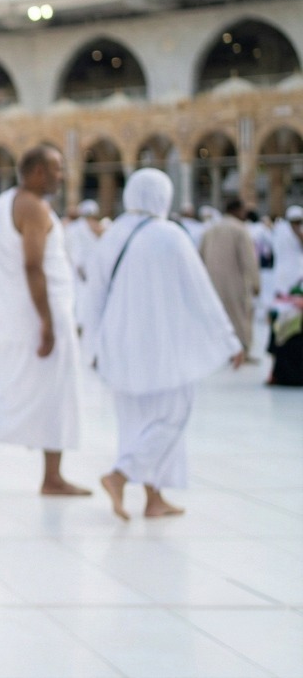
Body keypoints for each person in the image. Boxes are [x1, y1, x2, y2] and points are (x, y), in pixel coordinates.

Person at [80, 169, 243, 520]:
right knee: (173, 414)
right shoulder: (170, 235)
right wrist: (229, 339)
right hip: (162, 343)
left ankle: (154, 498)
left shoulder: (112, 234)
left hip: (118, 343)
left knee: (135, 420)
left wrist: (92, 346)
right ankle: (120, 475)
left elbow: (92, 295)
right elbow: (200, 292)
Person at [0, 146, 89, 496]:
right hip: (39, 313)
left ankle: (52, 476)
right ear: (37, 172)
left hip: (25, 312)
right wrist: (46, 321)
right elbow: (33, 265)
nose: (61, 176)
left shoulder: (7, 202)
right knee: (21, 392)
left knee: (54, 393)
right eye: (56, 169)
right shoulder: (32, 207)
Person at [200, 199, 263, 358]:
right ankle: (242, 352)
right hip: (236, 285)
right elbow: (249, 260)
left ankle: (221, 352)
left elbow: (200, 257)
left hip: (211, 284)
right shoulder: (240, 230)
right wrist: (256, 284)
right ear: (236, 210)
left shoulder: (211, 229)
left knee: (218, 318)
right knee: (240, 317)